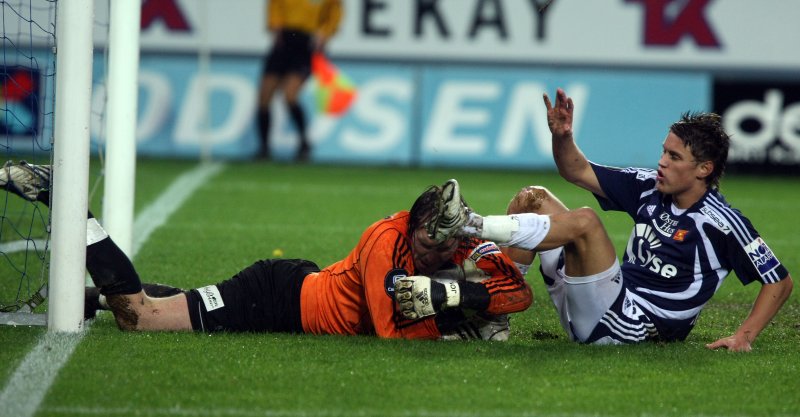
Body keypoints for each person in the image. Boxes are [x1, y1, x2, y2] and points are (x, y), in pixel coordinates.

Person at [417, 88, 793, 351]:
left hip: (631, 327)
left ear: (704, 169)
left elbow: (780, 281)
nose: (662, 161)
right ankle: (493, 318)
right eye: (663, 151)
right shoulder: (650, 187)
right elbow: (576, 170)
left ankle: (469, 223)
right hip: (602, 303)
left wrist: (744, 336)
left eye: (674, 157)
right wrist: (563, 136)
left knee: (585, 223)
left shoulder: (722, 222)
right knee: (534, 198)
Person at [0, 161, 531, 340]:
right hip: (275, 300)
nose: (445, 254)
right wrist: (456, 318)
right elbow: (393, 332)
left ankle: (86, 296)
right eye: (434, 246)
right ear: (414, 227)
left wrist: (472, 293)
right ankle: (68, 203)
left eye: (451, 245)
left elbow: (519, 293)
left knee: (183, 305)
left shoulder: (457, 237)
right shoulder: (382, 242)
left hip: (294, 287)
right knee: (140, 318)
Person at [256, 0, 342, 161]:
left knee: (290, 95)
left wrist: (325, 33)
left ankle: (304, 142)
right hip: (285, 38)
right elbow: (275, 5)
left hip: (307, 42)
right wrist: (275, 25)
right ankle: (264, 147)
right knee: (264, 96)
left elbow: (334, 12)